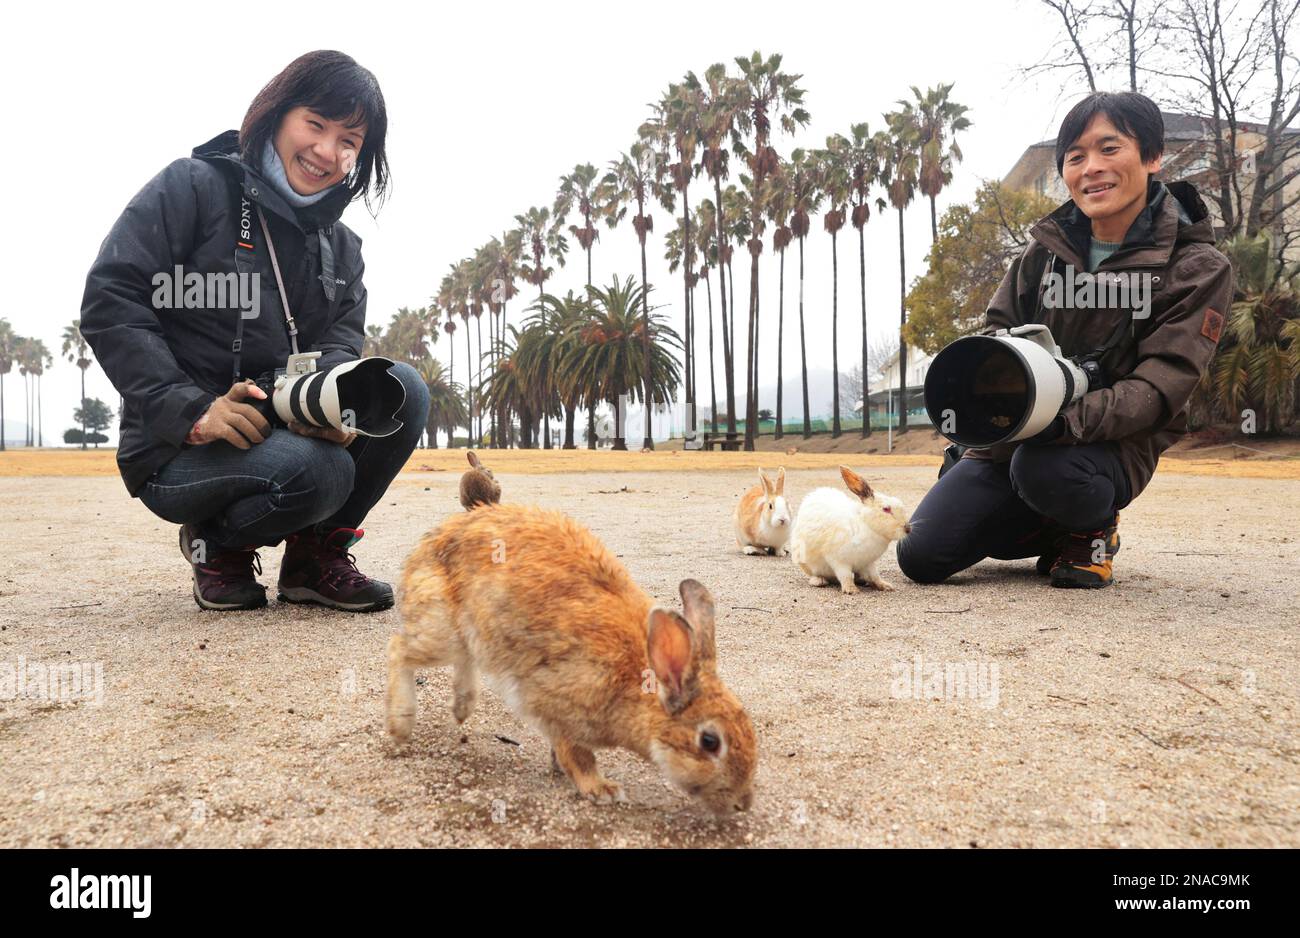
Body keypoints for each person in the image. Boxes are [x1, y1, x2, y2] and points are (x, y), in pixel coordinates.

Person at [79, 50, 430, 612]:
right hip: (175, 447)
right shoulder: (193, 187)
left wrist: (333, 409)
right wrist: (191, 410)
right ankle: (214, 546)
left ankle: (314, 557)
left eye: (349, 141)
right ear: (276, 114)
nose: (326, 151)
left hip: (281, 428)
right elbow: (110, 298)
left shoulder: (343, 248)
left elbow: (342, 343)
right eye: (315, 124)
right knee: (319, 471)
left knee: (403, 390)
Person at [897, 91, 1234, 589]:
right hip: (1023, 428)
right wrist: (1016, 393)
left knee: (1045, 471)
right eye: (1075, 157)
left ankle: (1091, 526)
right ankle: (1049, 526)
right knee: (920, 556)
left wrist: (1063, 420)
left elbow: (1162, 386)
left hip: (1114, 445)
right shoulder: (1046, 250)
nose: (1091, 168)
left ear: (1153, 156)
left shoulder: (1197, 268)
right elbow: (995, 329)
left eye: (1109, 148)